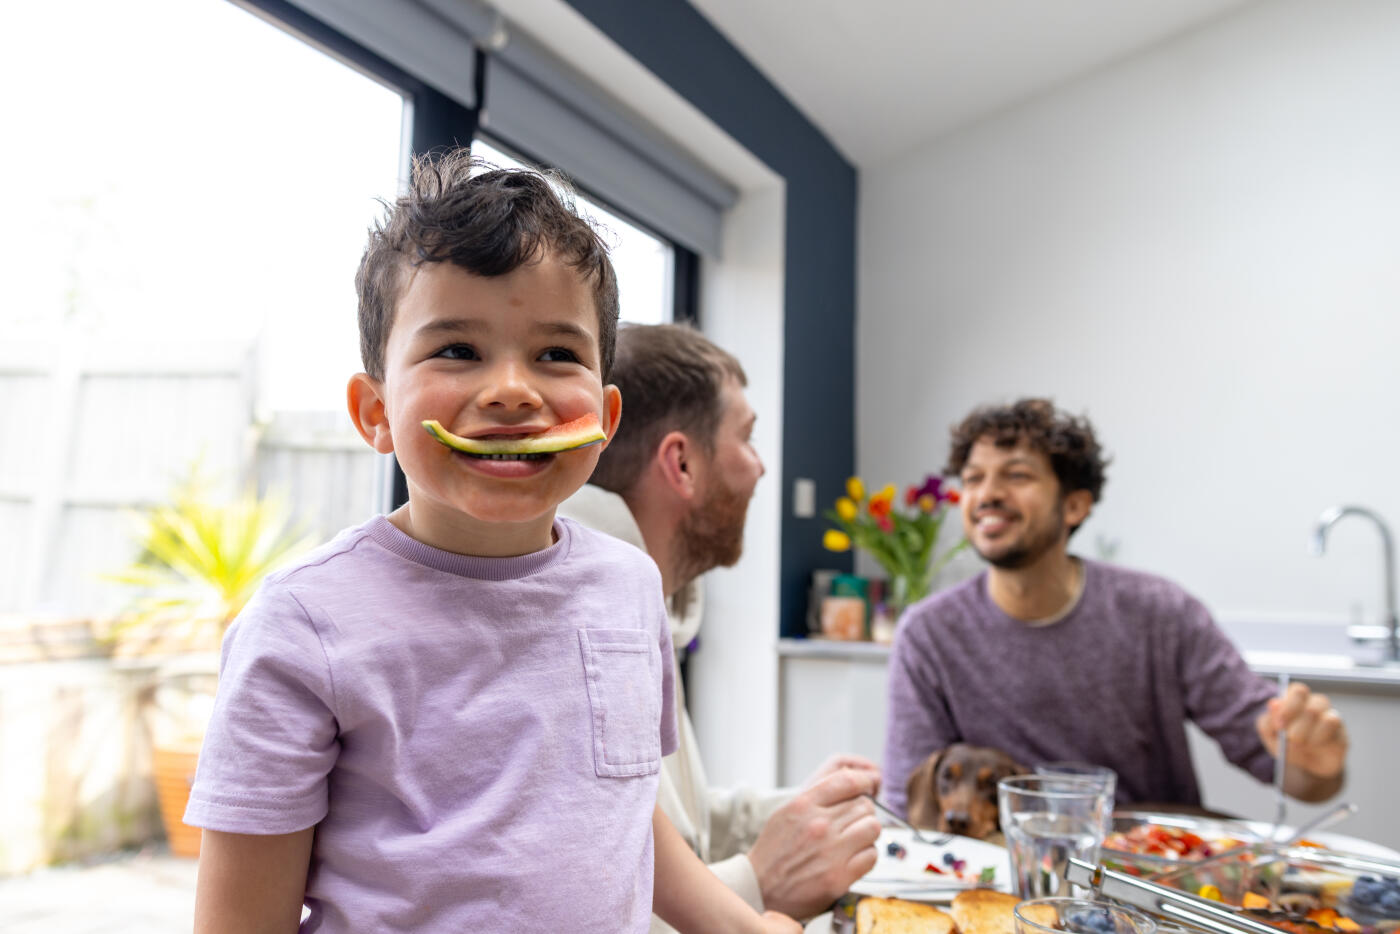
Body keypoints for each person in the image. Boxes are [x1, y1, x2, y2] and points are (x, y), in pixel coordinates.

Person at [184, 151, 800, 933]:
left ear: (606, 419)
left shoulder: (632, 584)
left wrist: (743, 926)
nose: (512, 387)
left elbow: (622, 811)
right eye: (457, 350)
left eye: (556, 354)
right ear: (374, 411)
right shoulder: (302, 625)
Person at [559, 323, 882, 927]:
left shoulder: (649, 602)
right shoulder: (573, 621)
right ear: (681, 462)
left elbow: (681, 829)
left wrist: (811, 812)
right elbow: (598, 910)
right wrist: (761, 880)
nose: (760, 468)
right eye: (748, 437)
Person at [883, 398, 1348, 816]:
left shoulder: (1161, 613)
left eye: (1017, 475)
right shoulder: (928, 634)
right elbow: (913, 806)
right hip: (1003, 880)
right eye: (973, 479)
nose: (986, 494)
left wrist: (1313, 763)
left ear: (1075, 506)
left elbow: (1286, 764)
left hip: (1153, 877)